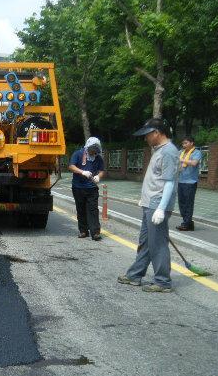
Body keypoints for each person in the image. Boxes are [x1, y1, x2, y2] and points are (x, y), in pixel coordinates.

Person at [118, 118, 179, 293]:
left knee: (158, 244)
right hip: (149, 203)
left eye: (147, 135)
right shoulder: (158, 150)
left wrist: (161, 208)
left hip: (157, 204)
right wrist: (144, 198)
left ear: (157, 133)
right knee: (145, 243)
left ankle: (163, 282)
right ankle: (135, 275)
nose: (145, 138)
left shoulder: (168, 152)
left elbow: (169, 183)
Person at [68, 136, 105, 241]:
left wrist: (98, 176)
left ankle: (95, 232)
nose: (94, 151)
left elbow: (102, 170)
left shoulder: (98, 158)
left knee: (93, 210)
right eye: (93, 149)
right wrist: (82, 172)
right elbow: (71, 166)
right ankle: (83, 231)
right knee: (81, 209)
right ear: (88, 147)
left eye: (96, 149)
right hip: (78, 187)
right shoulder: (78, 154)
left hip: (92, 188)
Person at [176, 136, 202, 231]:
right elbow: (175, 160)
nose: (184, 145)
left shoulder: (197, 152)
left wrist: (181, 160)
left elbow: (194, 163)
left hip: (191, 182)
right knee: (181, 203)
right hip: (181, 181)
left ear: (192, 143)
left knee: (188, 203)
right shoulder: (181, 152)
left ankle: (186, 224)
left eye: (186, 143)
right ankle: (189, 223)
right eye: (183, 143)